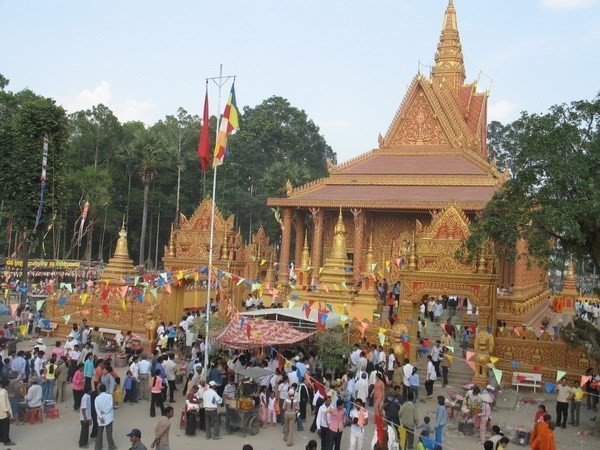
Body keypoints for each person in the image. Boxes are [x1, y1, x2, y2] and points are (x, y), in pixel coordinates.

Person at [95, 383, 117, 450]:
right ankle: (111, 446)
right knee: (109, 433)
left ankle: (98, 447)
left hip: (100, 418)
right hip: (109, 417)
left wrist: (101, 416)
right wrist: (104, 411)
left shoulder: (97, 398)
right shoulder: (109, 396)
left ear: (100, 390)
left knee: (99, 433)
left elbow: (97, 409)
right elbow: (110, 406)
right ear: (106, 389)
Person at [0, 378, 16, 446]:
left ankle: (1, 439)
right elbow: (3, 404)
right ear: (6, 385)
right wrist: (7, 412)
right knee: (6, 428)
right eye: (9, 385)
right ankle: (7, 441)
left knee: (1, 427)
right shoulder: (3, 393)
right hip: (4, 414)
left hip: (2, 413)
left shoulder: (2, 392)